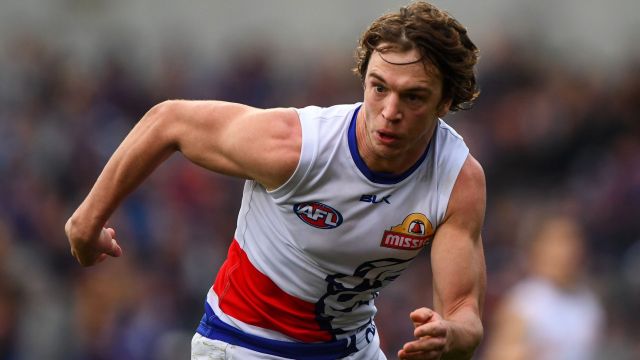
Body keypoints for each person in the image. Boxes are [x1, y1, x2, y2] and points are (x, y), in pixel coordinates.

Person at [65, 2, 486, 359]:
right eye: (378, 88)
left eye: (413, 96)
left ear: (445, 102)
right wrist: (87, 221)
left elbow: (464, 310)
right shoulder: (296, 147)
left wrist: (450, 336)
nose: (390, 110)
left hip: (351, 349)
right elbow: (169, 121)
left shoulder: (456, 180)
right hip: (243, 342)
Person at [482, 214, 605, 360]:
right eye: (556, 243)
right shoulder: (523, 302)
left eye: (571, 241)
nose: (565, 252)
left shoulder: (589, 303)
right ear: (536, 249)